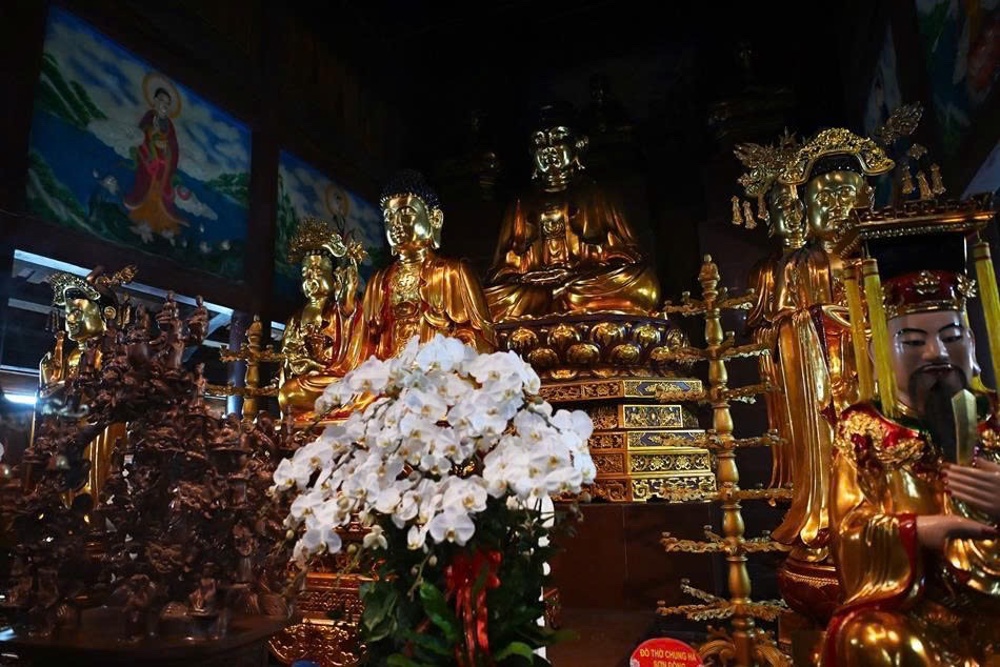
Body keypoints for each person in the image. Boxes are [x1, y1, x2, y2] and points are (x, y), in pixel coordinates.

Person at [821, 222, 1000, 665]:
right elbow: (849, 530)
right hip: (915, 610)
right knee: (868, 639)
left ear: (972, 344)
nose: (936, 354)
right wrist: (917, 531)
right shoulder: (865, 429)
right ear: (881, 351)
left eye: (952, 338)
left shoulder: (996, 416)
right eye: (913, 341)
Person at [483, 102, 660, 321]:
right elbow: (504, 268)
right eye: (539, 142)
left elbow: (625, 254)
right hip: (534, 289)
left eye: (558, 138)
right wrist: (529, 278)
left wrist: (579, 273)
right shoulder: (521, 203)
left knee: (641, 281)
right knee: (488, 299)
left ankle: (563, 302)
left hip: (582, 283)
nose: (548, 149)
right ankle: (556, 302)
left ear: (579, 145)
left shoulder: (597, 194)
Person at [358, 169, 495, 359]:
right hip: (388, 370)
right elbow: (365, 347)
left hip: (436, 369)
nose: (395, 224)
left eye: (406, 214)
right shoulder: (377, 282)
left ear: (435, 219)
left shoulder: (452, 273)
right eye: (389, 217)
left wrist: (449, 356)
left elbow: (480, 337)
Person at [37, 266, 135, 503]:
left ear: (107, 313)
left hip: (95, 425)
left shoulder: (112, 354)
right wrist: (49, 382)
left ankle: (91, 508)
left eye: (78, 312)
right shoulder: (70, 356)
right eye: (68, 312)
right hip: (67, 426)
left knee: (94, 479)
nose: (70, 319)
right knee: (60, 476)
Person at [277, 217, 366, 423]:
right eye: (306, 274)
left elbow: (351, 351)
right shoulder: (296, 319)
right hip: (307, 382)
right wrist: (305, 362)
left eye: (318, 272)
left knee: (357, 390)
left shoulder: (340, 311)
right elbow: (288, 358)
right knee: (287, 393)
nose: (311, 278)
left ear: (335, 278)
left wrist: (348, 295)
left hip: (335, 379)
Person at [124, 82, 188, 239]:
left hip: (163, 166)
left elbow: (174, 147)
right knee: (147, 189)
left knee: (160, 193)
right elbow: (140, 137)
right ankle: (142, 221)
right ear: (154, 100)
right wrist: (152, 141)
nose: (164, 105)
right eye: (161, 100)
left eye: (167, 103)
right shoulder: (149, 117)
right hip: (150, 161)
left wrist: (166, 149)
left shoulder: (169, 124)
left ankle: (159, 222)